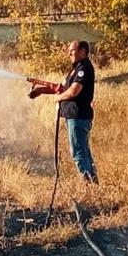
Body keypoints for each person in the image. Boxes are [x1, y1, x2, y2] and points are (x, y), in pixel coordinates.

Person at [29, 40, 98, 183]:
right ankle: (93, 184)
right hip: (76, 117)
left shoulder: (83, 69)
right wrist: (41, 90)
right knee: (84, 152)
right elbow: (64, 88)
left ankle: (89, 185)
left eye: (72, 51)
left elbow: (73, 91)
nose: (69, 54)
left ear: (83, 51)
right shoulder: (76, 68)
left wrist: (58, 98)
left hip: (78, 117)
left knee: (78, 153)